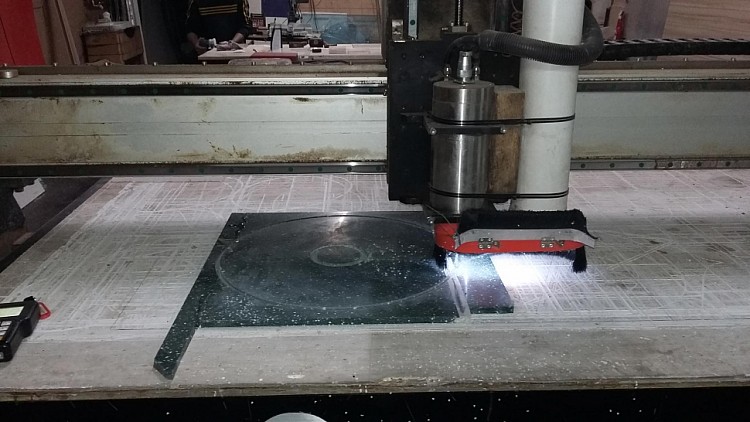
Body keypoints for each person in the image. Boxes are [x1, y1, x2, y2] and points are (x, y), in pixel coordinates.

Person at [186, 0, 252, 55]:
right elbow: (190, 28)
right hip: (205, 52)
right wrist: (196, 43)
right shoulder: (197, 2)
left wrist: (232, 43)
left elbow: (245, 27)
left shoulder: (239, 1)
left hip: (233, 52)